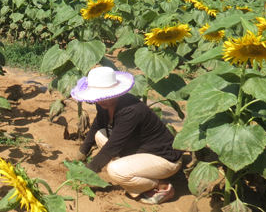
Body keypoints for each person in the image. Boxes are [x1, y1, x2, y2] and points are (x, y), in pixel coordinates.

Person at [71, 67, 183, 205]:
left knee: (115, 170)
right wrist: (82, 152)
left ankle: (162, 186)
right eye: (98, 95)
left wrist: (86, 173)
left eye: (106, 95)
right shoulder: (103, 104)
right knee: (100, 134)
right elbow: (97, 125)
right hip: (140, 150)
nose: (101, 100)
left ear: (116, 91)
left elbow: (112, 147)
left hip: (164, 158)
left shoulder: (130, 111)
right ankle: (134, 171)